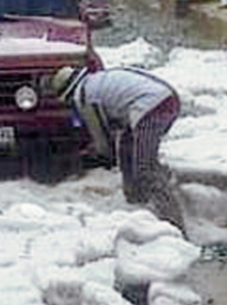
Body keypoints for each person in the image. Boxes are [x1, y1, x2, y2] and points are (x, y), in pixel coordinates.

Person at [51, 66, 185, 230]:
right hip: (166, 98)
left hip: (152, 107)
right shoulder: (94, 81)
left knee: (145, 168)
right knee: (126, 150)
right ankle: (136, 202)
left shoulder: (84, 97)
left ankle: (173, 224)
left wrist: (92, 156)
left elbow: (102, 139)